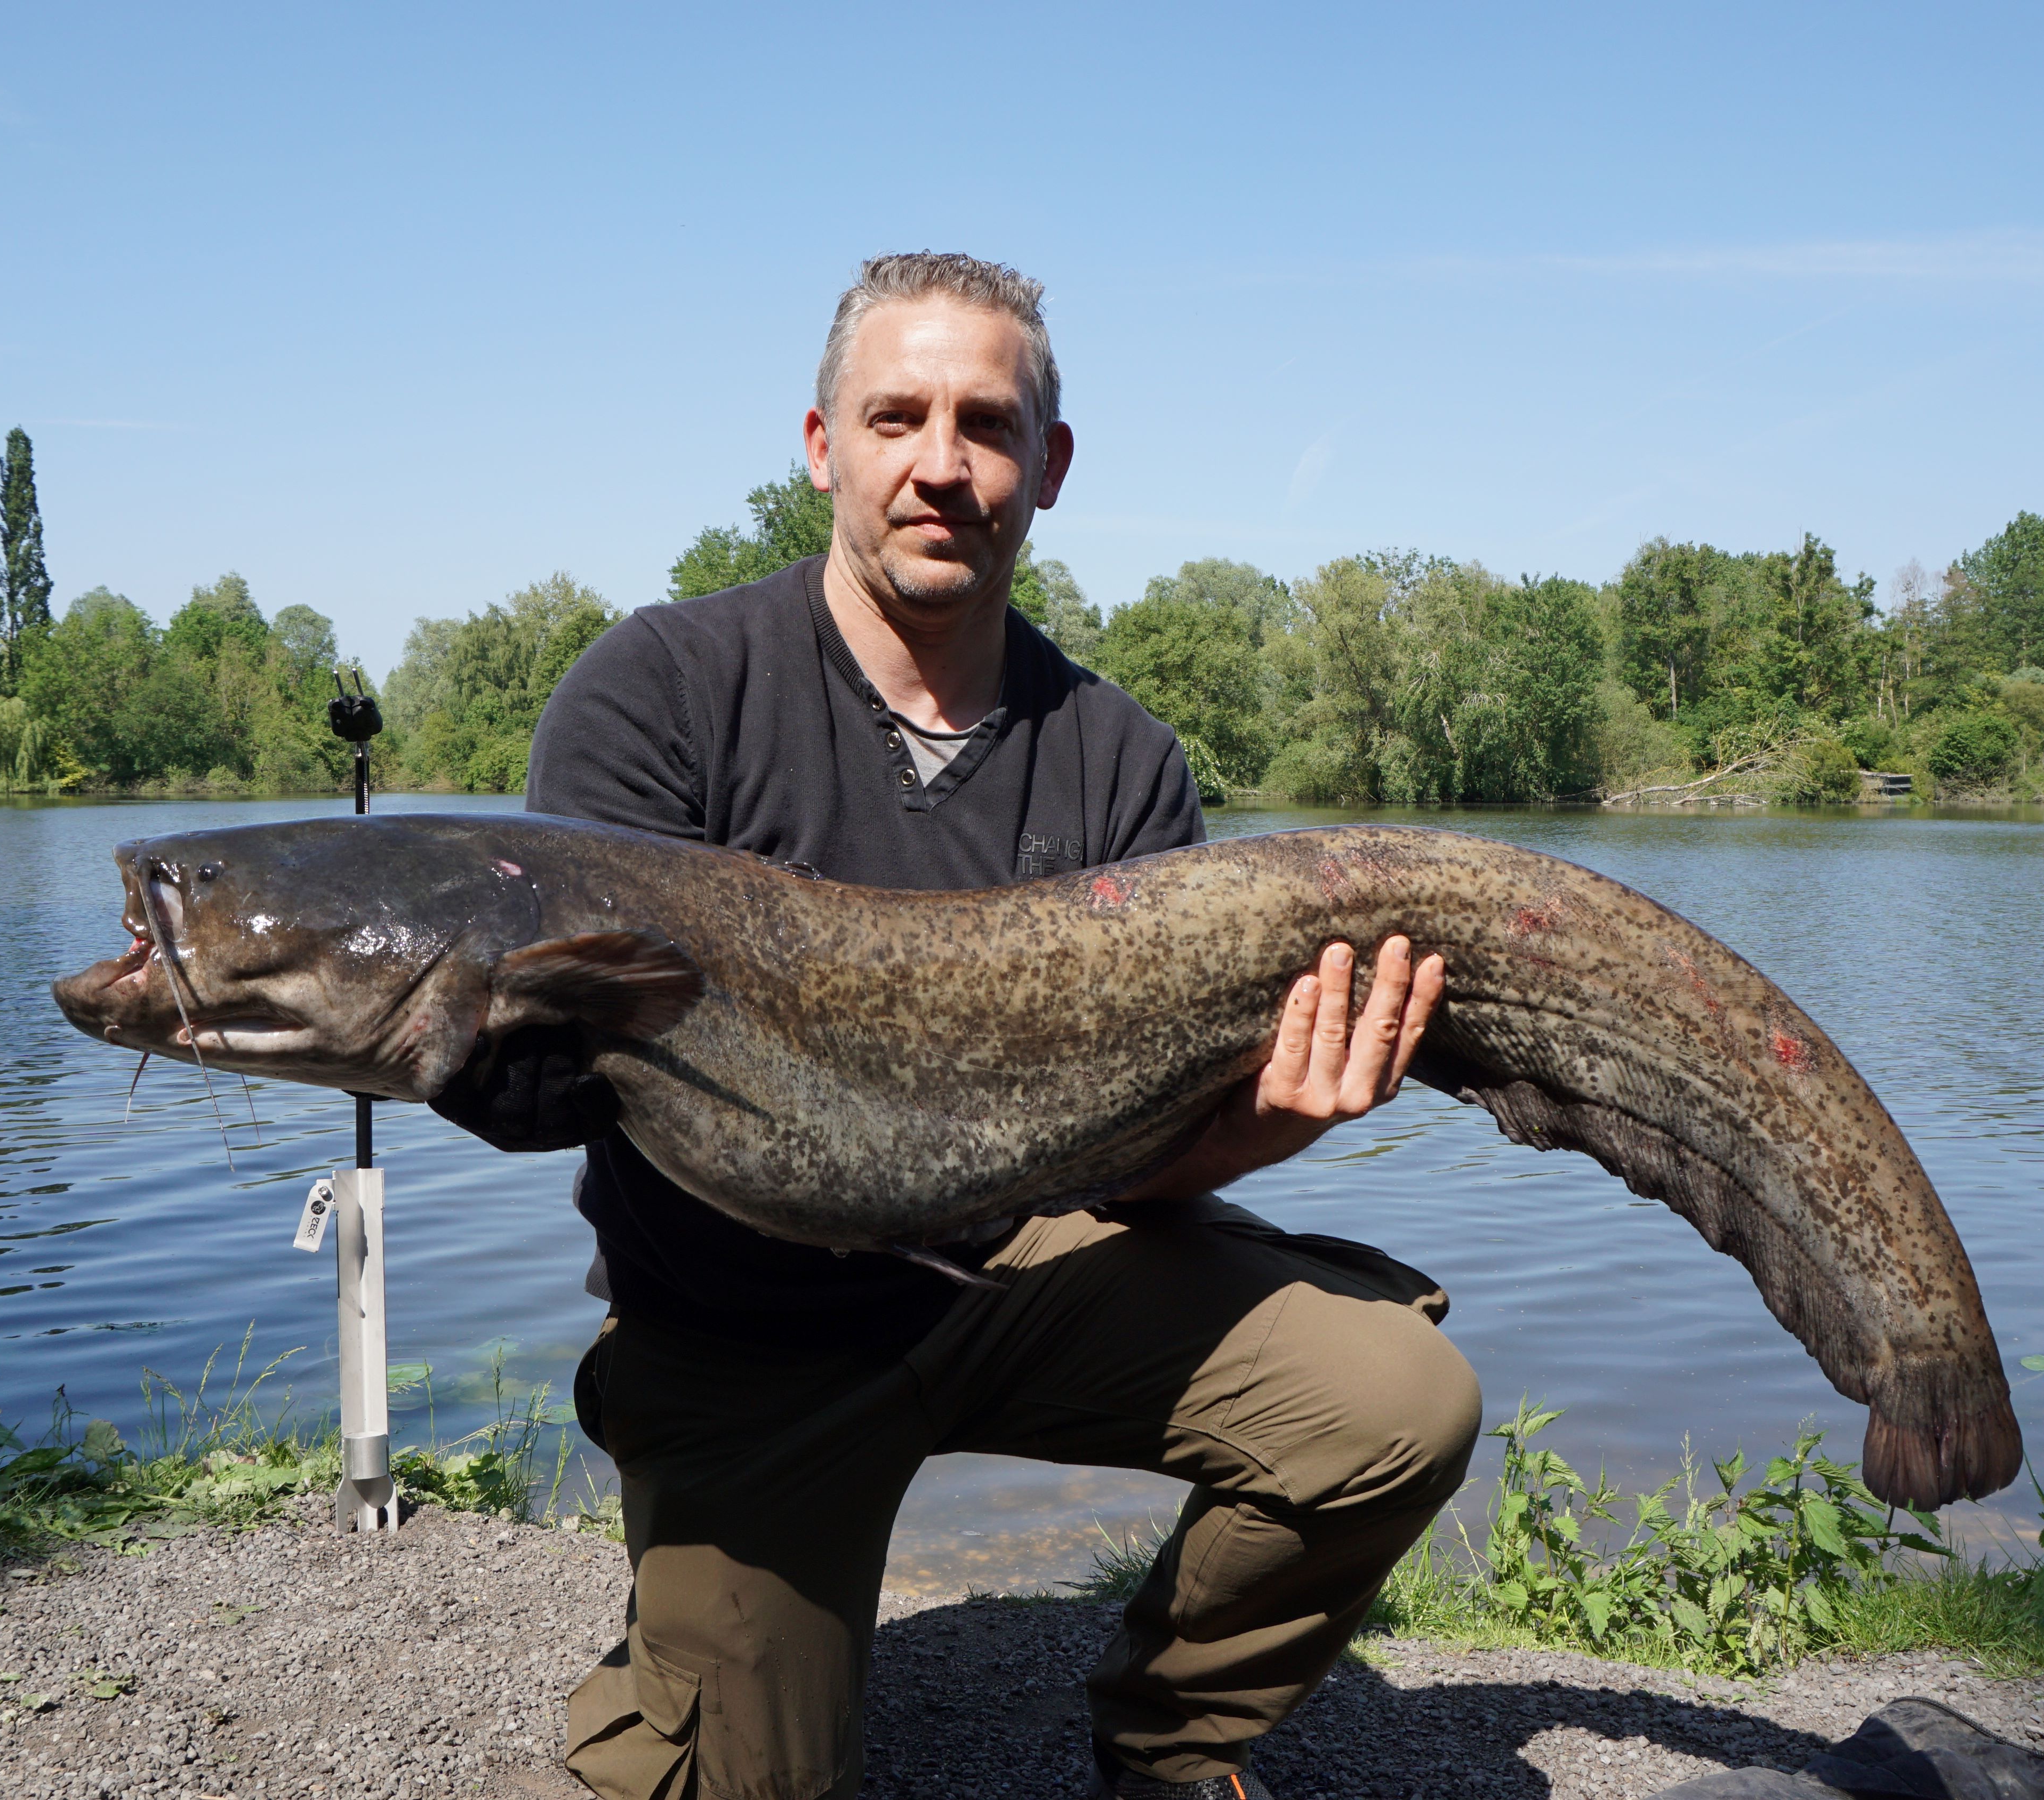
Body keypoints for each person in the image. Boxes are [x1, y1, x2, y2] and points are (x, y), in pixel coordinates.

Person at [438, 252, 1480, 1800]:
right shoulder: (661, 691)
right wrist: (491, 1061)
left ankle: (1172, 1743)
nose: (941, 464)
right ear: (822, 447)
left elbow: (1136, 1174)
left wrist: (1274, 1119)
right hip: (743, 1320)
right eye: (897, 417)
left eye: (986, 424)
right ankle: (693, 1677)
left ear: (1047, 466)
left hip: (1015, 1270)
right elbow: (565, 1066)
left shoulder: (1120, 760)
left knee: (1392, 1403)